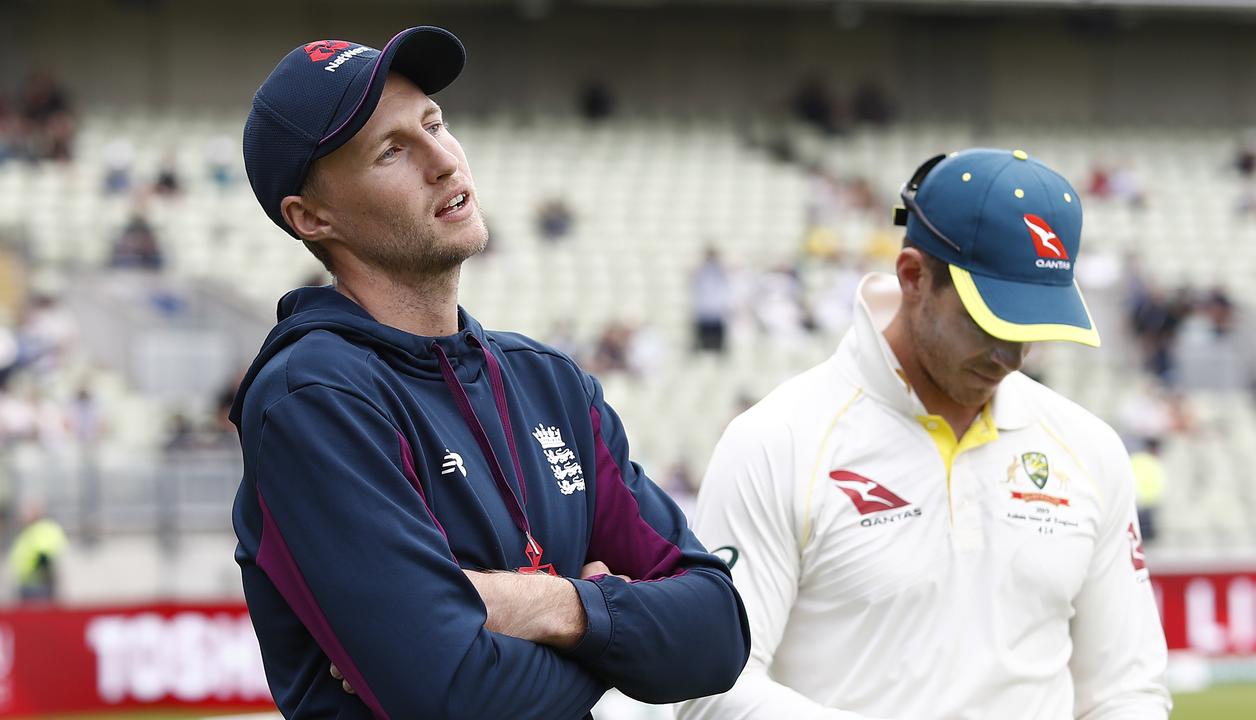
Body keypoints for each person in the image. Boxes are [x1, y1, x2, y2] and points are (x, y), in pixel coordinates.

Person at [230, 27, 748, 719]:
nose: (443, 161)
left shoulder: (551, 383)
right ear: (312, 216)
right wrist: (617, 643)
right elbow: (452, 695)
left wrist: (551, 606)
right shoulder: (312, 397)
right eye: (393, 150)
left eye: (436, 124)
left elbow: (717, 631)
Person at [679, 149, 1170, 719]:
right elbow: (710, 688)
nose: (1011, 355)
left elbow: (1125, 690)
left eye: (1032, 325)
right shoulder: (777, 442)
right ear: (912, 275)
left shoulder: (1089, 447)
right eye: (991, 319)